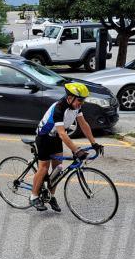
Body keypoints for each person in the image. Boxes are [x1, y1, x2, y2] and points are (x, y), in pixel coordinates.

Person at [30, 82, 103, 212]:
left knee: (58, 169)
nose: (81, 103)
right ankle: (34, 196)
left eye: (83, 100)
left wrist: (94, 143)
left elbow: (84, 124)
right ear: (70, 98)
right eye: (80, 100)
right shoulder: (59, 108)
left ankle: (51, 196)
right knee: (44, 167)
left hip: (56, 137)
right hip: (44, 137)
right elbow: (63, 134)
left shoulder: (76, 107)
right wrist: (76, 150)